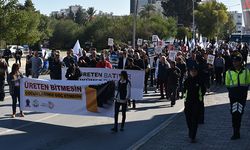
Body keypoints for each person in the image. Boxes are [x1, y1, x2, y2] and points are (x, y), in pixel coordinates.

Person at [225, 53, 250, 140]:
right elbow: (227, 84)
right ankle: (235, 132)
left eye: (237, 61)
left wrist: (244, 90)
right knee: (234, 113)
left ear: (240, 62)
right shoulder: (228, 72)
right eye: (234, 61)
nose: (235, 63)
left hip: (242, 96)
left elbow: (248, 82)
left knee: (240, 113)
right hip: (233, 96)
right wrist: (232, 91)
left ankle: (237, 130)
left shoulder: (246, 71)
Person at [183, 65, 206, 143]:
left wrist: (200, 99)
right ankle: (190, 131)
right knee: (188, 119)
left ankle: (193, 136)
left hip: (197, 102)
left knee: (194, 119)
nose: (193, 72)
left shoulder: (200, 80)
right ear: (189, 72)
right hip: (188, 102)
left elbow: (203, 91)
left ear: (197, 72)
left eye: (194, 71)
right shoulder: (187, 81)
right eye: (191, 71)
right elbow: (183, 90)